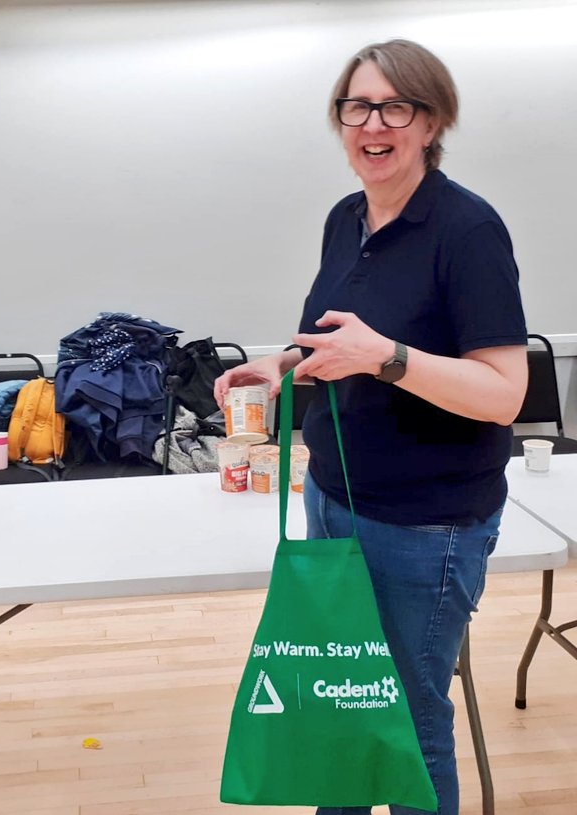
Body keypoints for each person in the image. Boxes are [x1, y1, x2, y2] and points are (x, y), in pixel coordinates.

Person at [214, 39, 528, 815]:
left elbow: (503, 393)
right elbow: (332, 340)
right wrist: (279, 367)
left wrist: (387, 358)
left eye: (395, 107)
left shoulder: (468, 231)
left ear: (431, 121)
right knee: (341, 701)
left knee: (411, 725)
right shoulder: (346, 218)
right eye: (357, 107)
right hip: (335, 496)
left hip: (428, 528)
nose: (372, 124)